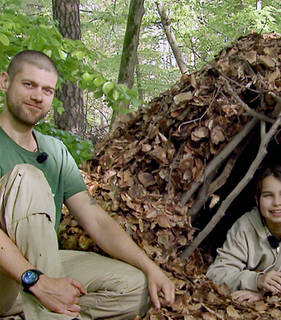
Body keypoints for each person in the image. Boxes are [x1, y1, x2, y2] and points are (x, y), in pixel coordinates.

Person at [0, 50, 175, 320]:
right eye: (29, 84)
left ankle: (40, 310)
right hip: (8, 275)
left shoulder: (54, 151)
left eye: (47, 90)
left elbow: (95, 219)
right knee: (28, 178)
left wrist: (151, 267)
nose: (38, 96)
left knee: (136, 288)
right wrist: (37, 281)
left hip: (42, 265)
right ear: (4, 81)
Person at [206, 165, 281, 302]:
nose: (277, 203)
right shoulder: (245, 225)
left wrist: (265, 294)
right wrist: (256, 281)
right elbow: (217, 271)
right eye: (268, 195)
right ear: (257, 200)